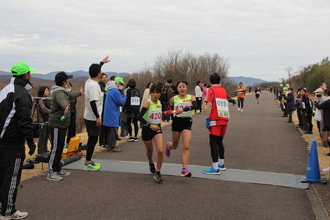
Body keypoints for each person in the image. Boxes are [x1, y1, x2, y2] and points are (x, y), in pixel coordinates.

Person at [0, 61, 36, 219]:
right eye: (30, 73)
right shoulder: (22, 93)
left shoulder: (6, 89)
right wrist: (30, 141)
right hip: (12, 141)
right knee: (12, 176)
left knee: (2, 175)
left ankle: (4, 206)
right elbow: (24, 121)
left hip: (2, 139)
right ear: (26, 75)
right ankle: (8, 211)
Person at [48, 72, 83, 180]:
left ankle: (57, 168)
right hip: (57, 124)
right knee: (56, 148)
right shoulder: (58, 93)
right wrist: (66, 107)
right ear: (64, 82)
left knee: (60, 147)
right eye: (67, 79)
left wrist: (80, 93)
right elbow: (62, 101)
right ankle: (51, 171)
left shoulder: (63, 91)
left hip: (62, 124)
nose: (68, 81)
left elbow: (70, 95)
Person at [165, 81, 198, 177]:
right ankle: (168, 146)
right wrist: (169, 112)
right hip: (176, 122)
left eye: (183, 87)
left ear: (186, 88)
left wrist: (183, 110)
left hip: (187, 122)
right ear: (177, 89)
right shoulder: (173, 99)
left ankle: (184, 169)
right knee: (175, 146)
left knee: (186, 146)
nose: (182, 88)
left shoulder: (191, 97)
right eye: (180, 87)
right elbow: (169, 108)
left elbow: (196, 106)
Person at [203, 73, 233, 175]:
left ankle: (215, 167)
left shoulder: (210, 90)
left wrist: (207, 118)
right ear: (219, 81)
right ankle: (221, 163)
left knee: (213, 142)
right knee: (220, 141)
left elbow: (209, 104)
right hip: (224, 118)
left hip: (215, 119)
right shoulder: (223, 90)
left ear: (210, 81)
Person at [83, 56, 109, 170]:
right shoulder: (93, 86)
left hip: (90, 115)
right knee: (93, 139)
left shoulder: (89, 81)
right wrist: (98, 117)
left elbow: (94, 72)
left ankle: (89, 160)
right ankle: (87, 162)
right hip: (92, 117)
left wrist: (101, 63)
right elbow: (93, 102)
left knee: (92, 139)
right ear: (98, 74)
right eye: (100, 72)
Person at [138, 84, 165, 183]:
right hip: (147, 129)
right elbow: (139, 117)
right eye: (153, 92)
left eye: (158, 92)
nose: (155, 95)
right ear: (151, 93)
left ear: (160, 93)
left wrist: (163, 114)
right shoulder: (148, 103)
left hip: (157, 128)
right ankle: (150, 162)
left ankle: (158, 172)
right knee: (150, 151)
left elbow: (157, 114)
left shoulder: (159, 103)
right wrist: (150, 125)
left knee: (160, 150)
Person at [103, 77, 127, 152]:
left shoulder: (110, 90)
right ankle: (112, 146)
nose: (121, 86)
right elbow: (120, 102)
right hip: (113, 113)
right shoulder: (115, 91)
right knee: (113, 130)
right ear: (116, 83)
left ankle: (110, 145)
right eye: (121, 84)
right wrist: (125, 97)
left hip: (109, 112)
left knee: (110, 130)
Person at [315, 90, 330, 171]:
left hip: (328, 124)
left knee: (328, 138)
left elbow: (319, 106)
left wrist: (316, 101)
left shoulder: (327, 102)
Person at [37, 86, 51, 154]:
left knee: (46, 136)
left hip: (48, 120)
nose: (47, 92)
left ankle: (45, 149)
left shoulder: (47, 99)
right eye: (46, 90)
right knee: (43, 135)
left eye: (48, 90)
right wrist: (52, 112)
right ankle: (41, 150)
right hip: (42, 120)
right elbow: (43, 109)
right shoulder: (40, 100)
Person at [99, 73, 109, 148]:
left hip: (106, 107)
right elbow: (104, 92)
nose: (104, 79)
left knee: (106, 125)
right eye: (103, 78)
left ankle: (106, 140)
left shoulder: (107, 85)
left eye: (105, 77)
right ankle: (101, 141)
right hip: (101, 107)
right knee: (103, 125)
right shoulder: (100, 85)